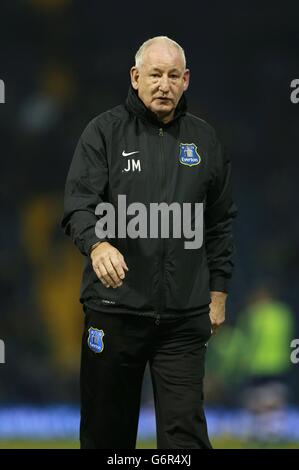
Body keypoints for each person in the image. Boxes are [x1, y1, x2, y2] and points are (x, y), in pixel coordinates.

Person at [61, 36, 237, 449]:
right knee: (107, 437)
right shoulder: (103, 132)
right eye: (155, 74)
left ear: (186, 80)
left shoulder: (206, 140)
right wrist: (98, 244)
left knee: (185, 439)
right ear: (135, 77)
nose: (164, 84)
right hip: (114, 310)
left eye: (173, 75)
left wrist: (219, 291)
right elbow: (78, 206)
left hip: (182, 319)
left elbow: (220, 222)